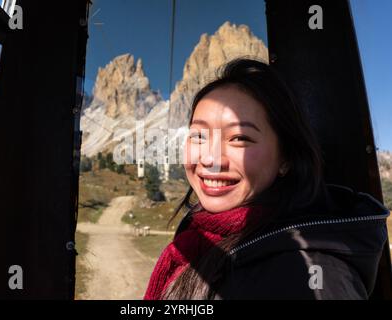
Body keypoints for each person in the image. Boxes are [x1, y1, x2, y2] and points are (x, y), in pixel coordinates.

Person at [143, 58, 389, 300]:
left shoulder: (311, 277)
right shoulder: (199, 234)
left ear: (286, 158)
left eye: (239, 138)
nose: (210, 159)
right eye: (198, 136)